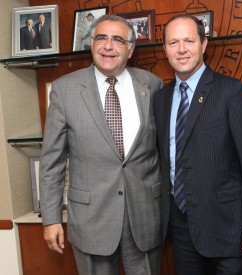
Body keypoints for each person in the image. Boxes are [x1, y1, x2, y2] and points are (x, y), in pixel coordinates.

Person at [39, 14, 163, 275]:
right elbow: (52, 162)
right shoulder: (65, 89)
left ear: (130, 50)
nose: (108, 46)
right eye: (101, 37)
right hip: (91, 219)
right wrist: (50, 219)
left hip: (144, 216)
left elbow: (164, 152)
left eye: (118, 39)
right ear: (91, 44)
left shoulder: (152, 85)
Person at [153, 14, 242, 275]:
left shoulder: (233, 92)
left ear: (204, 44)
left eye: (188, 41)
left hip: (231, 229)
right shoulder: (161, 100)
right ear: (164, 49)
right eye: (173, 42)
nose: (181, 49)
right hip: (182, 228)